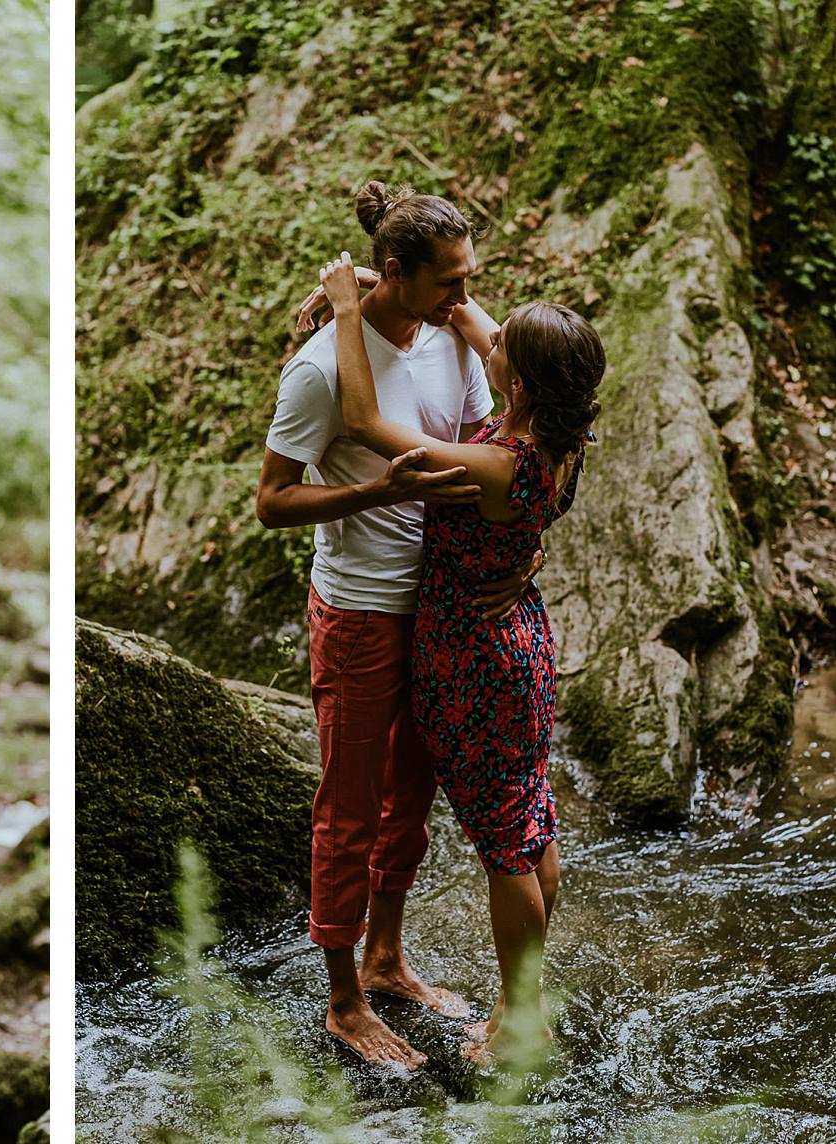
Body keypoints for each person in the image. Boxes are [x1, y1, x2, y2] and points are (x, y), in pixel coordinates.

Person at [257, 182, 543, 1067]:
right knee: (347, 812)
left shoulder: (456, 343)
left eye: (469, 281)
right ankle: (343, 998)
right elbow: (272, 501)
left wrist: (517, 559)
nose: (464, 299)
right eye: (448, 283)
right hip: (359, 610)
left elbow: (495, 465)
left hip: (443, 611)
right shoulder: (316, 369)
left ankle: (386, 958)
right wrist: (375, 491)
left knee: (408, 803)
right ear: (393, 272)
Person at [318, 245, 604, 1061]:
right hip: (521, 642)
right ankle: (528, 1008)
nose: (486, 325)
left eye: (504, 338)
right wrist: (399, 274)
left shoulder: (495, 459)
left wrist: (345, 310)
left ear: (515, 383)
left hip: (473, 659)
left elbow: (370, 425)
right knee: (528, 817)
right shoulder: (556, 432)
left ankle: (519, 1024)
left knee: (505, 841)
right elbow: (465, 315)